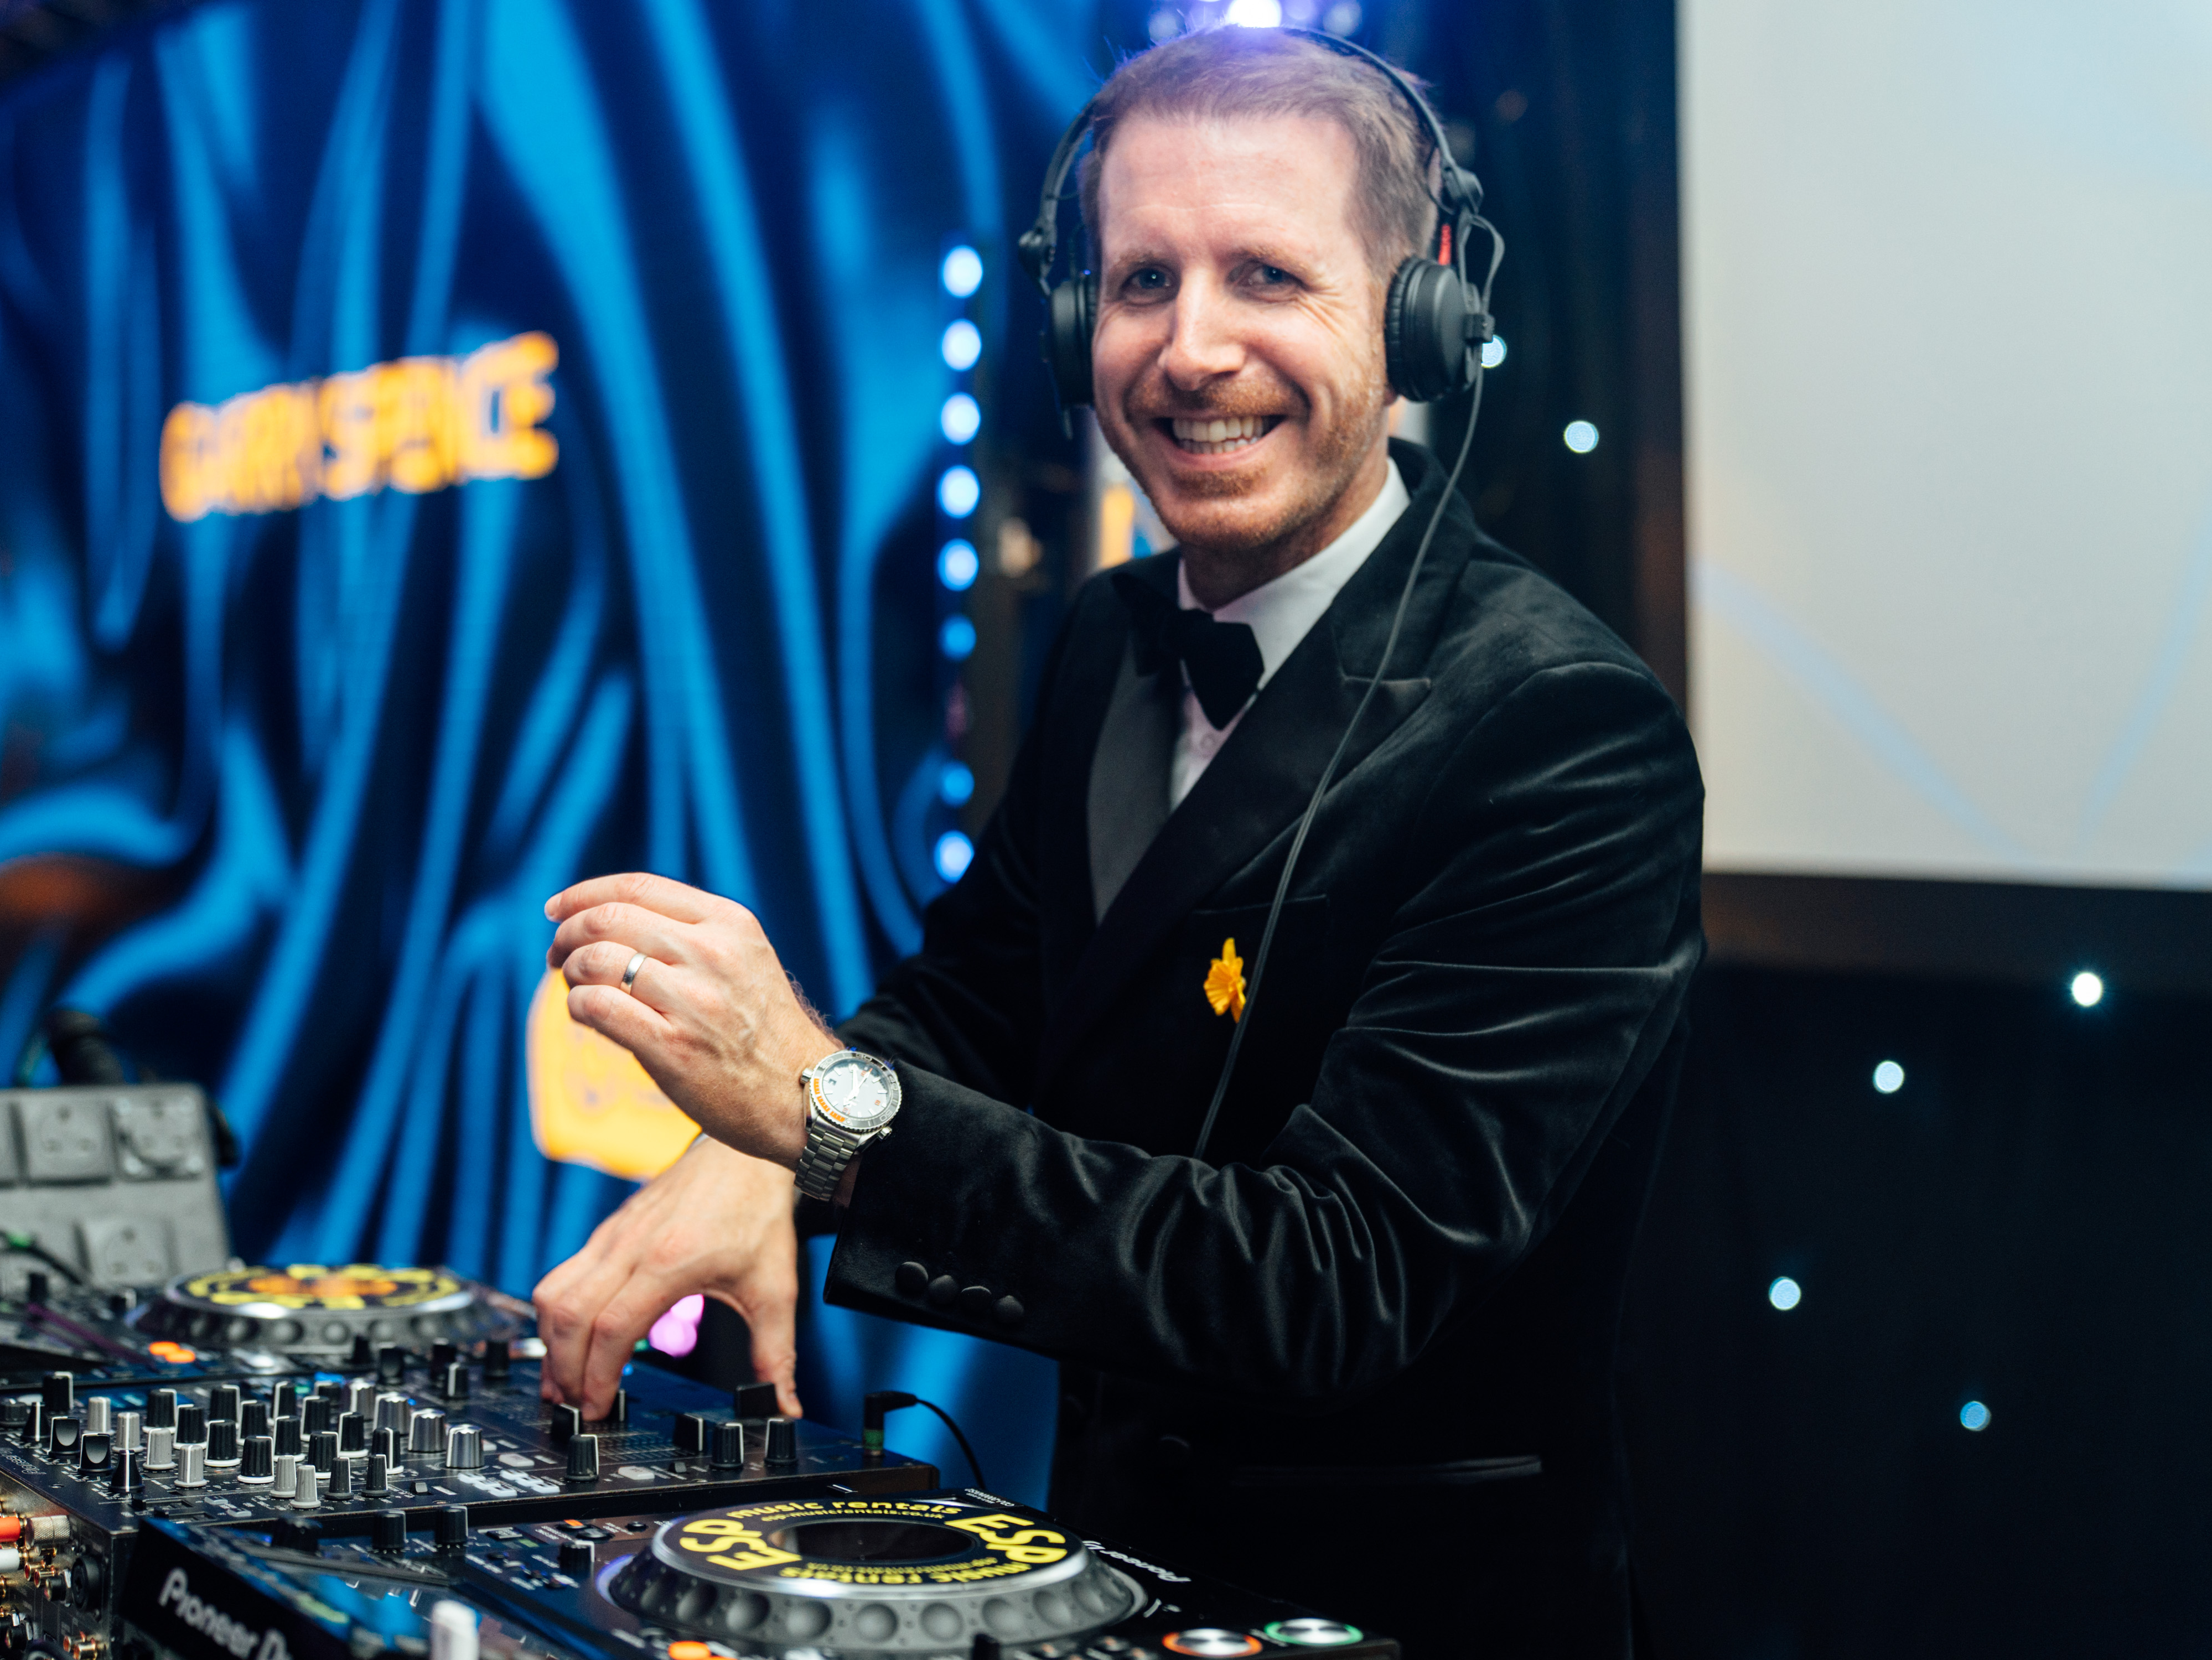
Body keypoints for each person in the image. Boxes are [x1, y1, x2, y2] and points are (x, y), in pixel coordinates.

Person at [531, 28, 1701, 1658]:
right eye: (1141, 281)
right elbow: (979, 1001)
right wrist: (749, 1159)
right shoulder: (1101, 640)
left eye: (1267, 277)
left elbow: (1330, 1279)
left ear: (1425, 303)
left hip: (1416, 1623)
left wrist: (822, 1117)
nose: (1190, 349)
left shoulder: (1563, 732)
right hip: (1113, 1572)